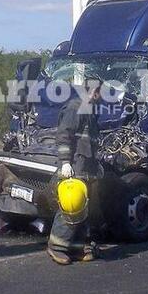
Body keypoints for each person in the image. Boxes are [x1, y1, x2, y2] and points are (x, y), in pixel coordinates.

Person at [47, 81, 102, 265]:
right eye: (98, 91)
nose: (100, 95)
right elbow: (64, 135)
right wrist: (64, 162)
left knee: (84, 210)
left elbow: (90, 141)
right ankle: (57, 246)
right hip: (75, 166)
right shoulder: (75, 108)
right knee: (71, 206)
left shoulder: (90, 110)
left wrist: (96, 164)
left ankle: (78, 247)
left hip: (87, 167)